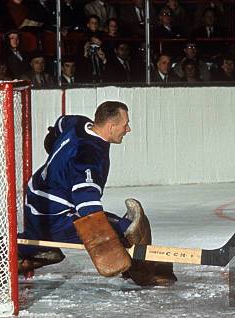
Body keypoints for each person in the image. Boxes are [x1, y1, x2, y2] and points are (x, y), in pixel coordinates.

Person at [18, 101, 177, 287]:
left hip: (35, 203)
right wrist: (110, 242)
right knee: (127, 230)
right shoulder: (90, 155)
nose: (128, 129)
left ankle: (24, 248)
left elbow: (60, 124)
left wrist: (54, 144)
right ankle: (143, 273)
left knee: (115, 226)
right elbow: (86, 204)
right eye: (125, 125)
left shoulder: (79, 123)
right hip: (55, 217)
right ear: (111, 127)